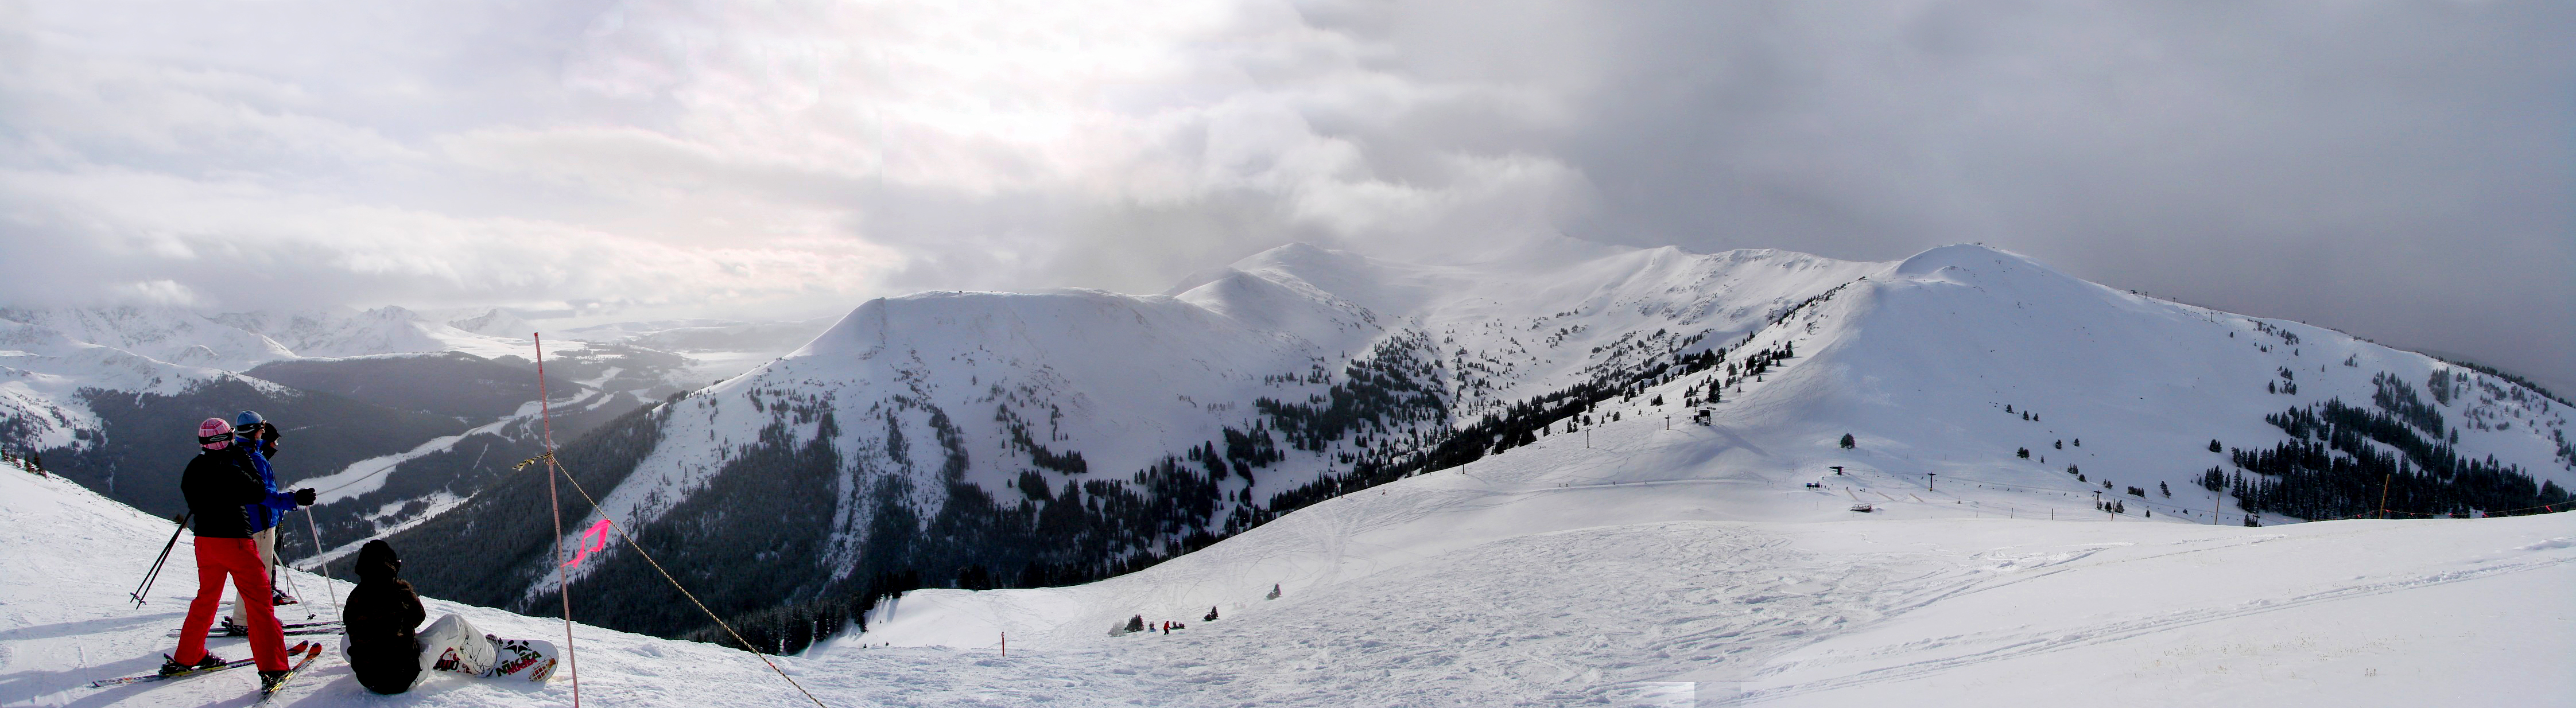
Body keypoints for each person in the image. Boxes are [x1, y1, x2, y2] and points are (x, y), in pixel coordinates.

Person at [167, 417, 316, 690]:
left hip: (205, 542)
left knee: (206, 599)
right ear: (227, 440)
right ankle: (273, 667)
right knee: (260, 604)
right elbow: (259, 490)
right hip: (235, 541)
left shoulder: (193, 468)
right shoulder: (231, 470)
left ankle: (188, 655)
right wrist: (243, 458)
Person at [343, 539, 496, 694]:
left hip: (367, 679)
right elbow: (419, 617)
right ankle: (486, 662)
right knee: (454, 623)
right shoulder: (399, 591)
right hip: (403, 678)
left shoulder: (353, 599)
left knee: (354, 634)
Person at [228, 410, 297, 632]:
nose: (263, 432)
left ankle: (243, 618)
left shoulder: (234, 452)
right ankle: (254, 620)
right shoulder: (255, 459)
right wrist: (293, 500)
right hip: (261, 524)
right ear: (256, 431)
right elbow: (264, 495)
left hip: (246, 522)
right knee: (261, 575)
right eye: (262, 428)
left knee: (251, 574)